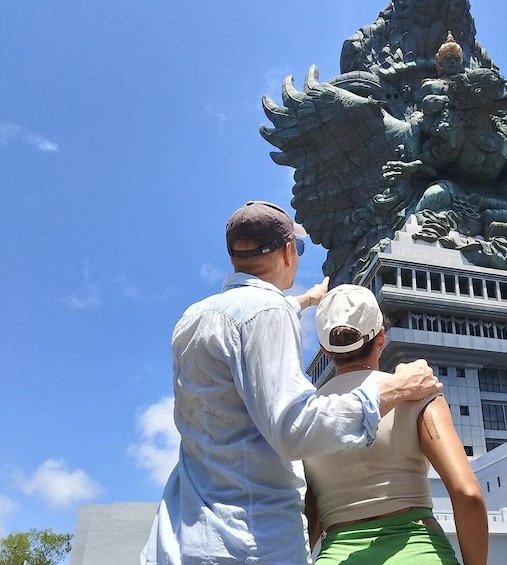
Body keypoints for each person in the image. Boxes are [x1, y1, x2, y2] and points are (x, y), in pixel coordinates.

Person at [141, 201, 442, 565]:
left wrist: (305, 301)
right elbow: (293, 428)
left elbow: (241, 326)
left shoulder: (193, 317)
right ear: (287, 251)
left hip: (183, 535)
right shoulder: (267, 312)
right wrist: (396, 386)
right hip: (250, 539)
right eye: (298, 248)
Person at [303, 285, 488, 565]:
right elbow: (468, 494)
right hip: (420, 553)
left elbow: (310, 515)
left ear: (324, 349)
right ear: (381, 337)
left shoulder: (307, 415)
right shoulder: (416, 388)